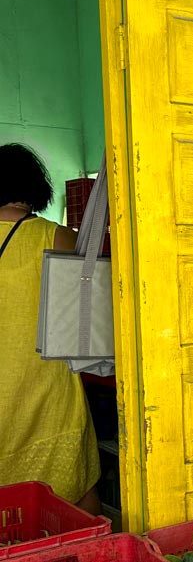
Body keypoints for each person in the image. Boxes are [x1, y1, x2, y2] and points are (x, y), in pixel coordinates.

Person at [0, 143, 102, 512]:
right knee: (76, 480)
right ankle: (85, 554)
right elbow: (91, 308)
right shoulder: (56, 237)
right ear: (34, 186)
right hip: (47, 381)